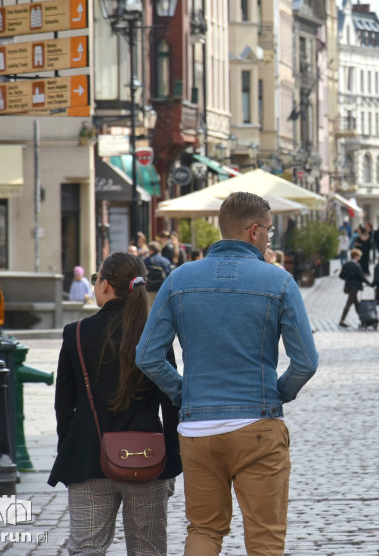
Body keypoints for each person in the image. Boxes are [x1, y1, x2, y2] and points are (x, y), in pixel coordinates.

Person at [136, 191, 319, 555]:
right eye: (268, 230)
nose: (269, 237)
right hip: (257, 425)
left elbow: (147, 356)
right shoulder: (279, 282)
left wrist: (182, 392)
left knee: (203, 529)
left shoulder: (179, 279)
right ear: (254, 231)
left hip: (198, 429)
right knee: (265, 536)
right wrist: (278, 392)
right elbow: (305, 362)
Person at [48, 252, 181, 554]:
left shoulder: (76, 334)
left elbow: (63, 405)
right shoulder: (154, 335)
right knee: (148, 549)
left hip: (88, 458)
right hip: (148, 456)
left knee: (86, 548)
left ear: (105, 285)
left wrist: (67, 450)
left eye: (96, 280)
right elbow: (172, 401)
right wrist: (172, 460)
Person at [338, 249, 368, 327]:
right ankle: (342, 320)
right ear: (356, 256)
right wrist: (369, 283)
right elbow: (361, 276)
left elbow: (341, 275)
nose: (359, 258)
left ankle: (363, 320)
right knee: (349, 303)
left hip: (348, 286)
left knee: (356, 304)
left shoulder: (346, 264)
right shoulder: (356, 265)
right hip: (355, 287)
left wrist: (348, 278)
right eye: (359, 256)